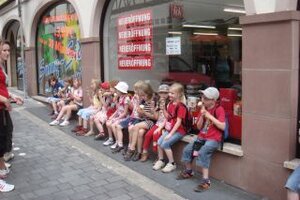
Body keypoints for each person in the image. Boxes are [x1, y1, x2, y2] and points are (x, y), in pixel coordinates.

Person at [177, 87, 225, 193]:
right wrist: (202, 116)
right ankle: (189, 171)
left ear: (213, 100)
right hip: (202, 136)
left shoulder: (219, 109)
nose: (203, 99)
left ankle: (206, 181)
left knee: (203, 152)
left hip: (213, 138)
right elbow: (199, 128)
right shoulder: (203, 109)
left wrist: (209, 116)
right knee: (187, 150)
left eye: (206, 98)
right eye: (202, 97)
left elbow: (222, 126)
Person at [0, 39, 23, 192]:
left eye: (9, 50)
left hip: (2, 108)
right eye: (4, 50)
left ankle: (1, 167)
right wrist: (4, 100)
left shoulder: (1, 66)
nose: (7, 53)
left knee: (4, 136)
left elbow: (2, 88)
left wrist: (13, 97)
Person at [152, 83, 187, 173]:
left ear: (178, 94)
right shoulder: (170, 104)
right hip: (170, 128)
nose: (169, 95)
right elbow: (168, 118)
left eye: (172, 93)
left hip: (179, 131)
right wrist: (160, 128)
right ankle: (161, 160)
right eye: (170, 93)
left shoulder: (181, 106)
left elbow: (178, 122)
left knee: (165, 144)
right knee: (160, 142)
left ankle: (172, 163)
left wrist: (170, 134)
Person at [123, 82, 157, 161]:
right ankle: (139, 152)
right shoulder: (143, 101)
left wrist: (144, 113)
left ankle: (131, 148)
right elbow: (141, 115)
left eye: (143, 95)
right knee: (140, 132)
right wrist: (139, 108)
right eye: (141, 96)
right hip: (144, 121)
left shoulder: (154, 100)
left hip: (151, 121)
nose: (142, 97)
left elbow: (155, 118)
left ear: (148, 93)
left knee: (136, 126)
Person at [140, 84, 169, 162]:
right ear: (159, 93)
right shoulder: (158, 102)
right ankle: (145, 152)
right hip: (158, 123)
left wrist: (164, 109)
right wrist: (153, 109)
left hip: (166, 125)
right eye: (161, 93)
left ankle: (158, 156)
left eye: (165, 93)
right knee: (148, 135)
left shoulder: (169, 103)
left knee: (156, 135)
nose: (163, 95)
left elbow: (169, 118)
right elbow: (156, 118)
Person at [103, 81, 130, 146]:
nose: (116, 91)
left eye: (117, 90)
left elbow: (125, 113)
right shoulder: (120, 98)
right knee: (108, 122)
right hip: (119, 116)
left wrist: (116, 118)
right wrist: (112, 116)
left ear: (121, 91)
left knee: (113, 125)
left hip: (124, 117)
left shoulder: (126, 99)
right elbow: (118, 110)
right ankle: (111, 139)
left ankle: (117, 141)